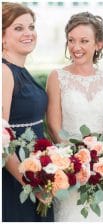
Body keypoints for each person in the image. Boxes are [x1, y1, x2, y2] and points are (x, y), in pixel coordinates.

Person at [46, 12, 103, 221]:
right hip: (71, 168)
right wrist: (77, 163)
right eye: (71, 40)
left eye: (84, 41)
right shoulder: (57, 76)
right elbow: (54, 126)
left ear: (98, 44)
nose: (75, 47)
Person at [2, 2, 54, 222]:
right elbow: (1, 139)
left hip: (36, 174)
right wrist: (29, 183)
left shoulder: (20, 71)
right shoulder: (4, 72)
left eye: (31, 27)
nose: (28, 33)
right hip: (16, 178)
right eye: (18, 28)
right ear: (2, 37)